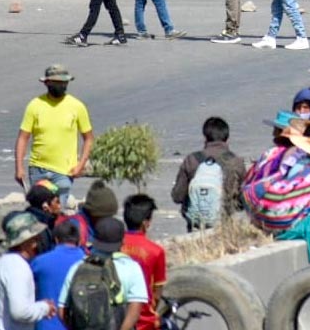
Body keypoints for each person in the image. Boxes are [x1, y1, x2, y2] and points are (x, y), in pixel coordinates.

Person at [14, 65, 93, 206]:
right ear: (47, 83)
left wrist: (80, 166)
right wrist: (19, 167)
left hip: (64, 171)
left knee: (57, 210)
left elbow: (88, 138)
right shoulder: (35, 105)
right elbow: (23, 137)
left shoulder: (77, 106)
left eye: (64, 83)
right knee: (40, 209)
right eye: (57, 82)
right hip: (38, 169)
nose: (61, 86)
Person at [57, 217, 149, 330]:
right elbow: (135, 309)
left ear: (95, 240)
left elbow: (62, 309)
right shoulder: (131, 267)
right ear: (122, 241)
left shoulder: (77, 267)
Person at [172, 116, 246, 230]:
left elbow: (177, 196)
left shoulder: (191, 160)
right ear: (227, 138)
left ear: (205, 137)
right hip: (223, 224)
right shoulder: (236, 162)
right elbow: (243, 200)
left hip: (195, 225)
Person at [0, 212, 57, 330]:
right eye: (35, 237)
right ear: (27, 240)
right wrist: (45, 308)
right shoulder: (18, 268)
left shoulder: (4, 262)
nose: (39, 240)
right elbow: (20, 312)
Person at [120, 195, 166, 330]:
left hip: (116, 316)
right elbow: (157, 293)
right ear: (146, 223)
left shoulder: (113, 244)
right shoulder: (156, 251)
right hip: (144, 320)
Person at [30, 223, 85, 330]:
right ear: (78, 241)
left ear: (56, 240)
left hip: (47, 324)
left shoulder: (40, 262)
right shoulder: (88, 262)